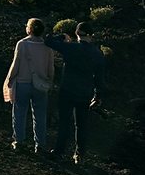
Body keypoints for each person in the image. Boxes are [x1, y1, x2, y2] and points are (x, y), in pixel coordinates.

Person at [44, 21, 106, 165]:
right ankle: (79, 155)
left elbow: (48, 40)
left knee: (64, 122)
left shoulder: (71, 48)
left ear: (77, 33)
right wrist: (98, 96)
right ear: (91, 36)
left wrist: (62, 36)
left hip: (67, 90)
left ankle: (59, 152)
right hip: (84, 93)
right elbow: (99, 79)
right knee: (81, 125)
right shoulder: (97, 54)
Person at [3, 18, 54, 153]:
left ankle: (19, 141)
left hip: (23, 83)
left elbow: (16, 64)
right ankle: (40, 145)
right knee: (40, 115)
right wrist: (49, 82)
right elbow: (51, 68)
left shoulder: (22, 44)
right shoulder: (48, 47)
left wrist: (10, 78)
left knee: (19, 113)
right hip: (41, 85)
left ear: (29, 29)